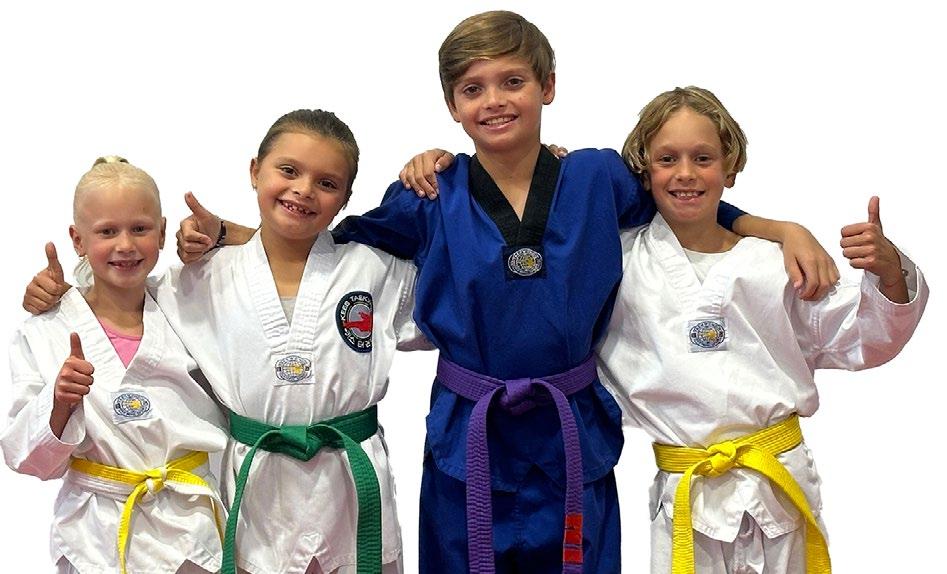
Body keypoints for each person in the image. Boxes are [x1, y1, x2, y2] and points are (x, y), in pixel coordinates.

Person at [174, 12, 837, 573]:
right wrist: (230, 234)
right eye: (473, 88)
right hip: (471, 431)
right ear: (452, 106)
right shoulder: (428, 194)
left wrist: (781, 229)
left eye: (512, 81)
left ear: (547, 86)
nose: (494, 100)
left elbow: (684, 207)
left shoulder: (597, 177)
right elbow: (326, 244)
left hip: (570, 427)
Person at [21, 111, 431, 574]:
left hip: (350, 485)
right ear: (255, 170)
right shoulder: (200, 279)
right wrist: (61, 295)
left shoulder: (376, 270)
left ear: (346, 199)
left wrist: (446, 168)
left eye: (326, 182)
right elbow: (121, 293)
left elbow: (459, 313)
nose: (303, 190)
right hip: (258, 495)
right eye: (289, 170)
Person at [595, 86, 928, 573]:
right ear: (644, 171)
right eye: (667, 159)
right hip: (687, 494)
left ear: (730, 168)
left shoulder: (775, 263)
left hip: (778, 485)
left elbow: (864, 338)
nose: (685, 173)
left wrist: (890, 272)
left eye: (703, 158)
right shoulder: (617, 265)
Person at [1, 157, 229, 574]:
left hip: (188, 528)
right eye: (107, 231)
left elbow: (271, 261)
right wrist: (59, 403)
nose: (125, 245)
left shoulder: (190, 304)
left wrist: (219, 237)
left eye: (139, 229)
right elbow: (26, 459)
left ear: (162, 232)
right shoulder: (46, 330)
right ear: (78, 239)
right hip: (94, 536)